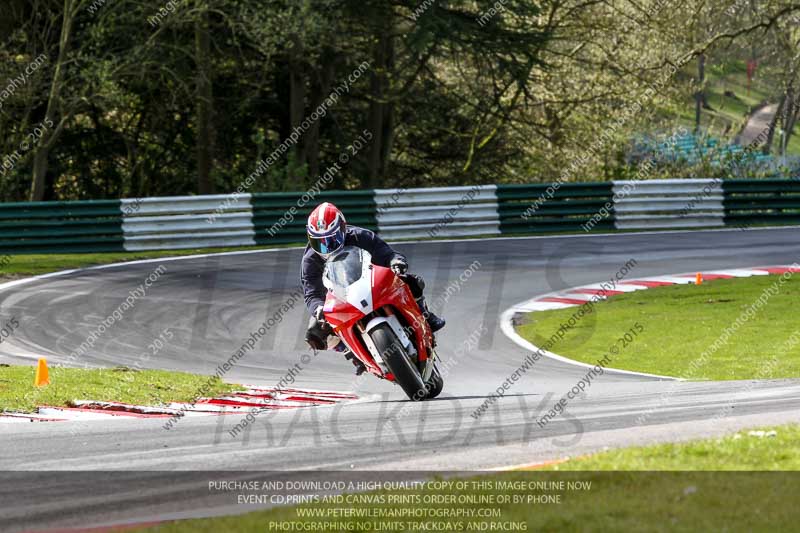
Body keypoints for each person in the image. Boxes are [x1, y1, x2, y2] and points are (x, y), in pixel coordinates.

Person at [301, 202, 445, 374]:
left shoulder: (360, 236)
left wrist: (396, 263)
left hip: (371, 282)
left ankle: (425, 315)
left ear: (342, 229)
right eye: (319, 243)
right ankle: (351, 352)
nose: (326, 247)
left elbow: (387, 254)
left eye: (331, 240)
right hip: (339, 297)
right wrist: (318, 308)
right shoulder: (310, 260)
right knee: (314, 332)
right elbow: (311, 293)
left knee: (411, 281)